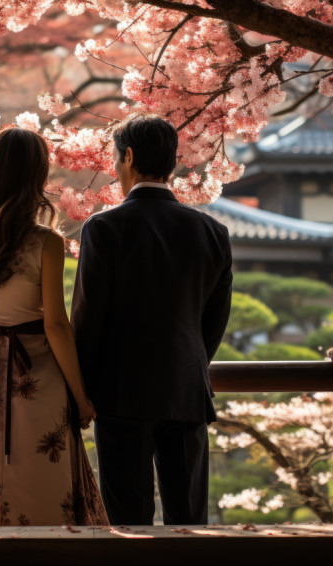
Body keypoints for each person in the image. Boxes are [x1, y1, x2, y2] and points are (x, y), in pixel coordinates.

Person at [71, 114, 233, 526]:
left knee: (128, 521)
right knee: (189, 519)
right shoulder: (212, 232)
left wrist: (81, 390)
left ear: (127, 156)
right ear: (172, 162)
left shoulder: (104, 227)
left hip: (120, 391)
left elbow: (89, 320)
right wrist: (190, 363)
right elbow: (214, 323)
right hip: (187, 388)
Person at [0, 127, 108, 526]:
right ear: (36, 175)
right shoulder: (46, 242)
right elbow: (55, 323)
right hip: (36, 372)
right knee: (41, 481)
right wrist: (81, 396)